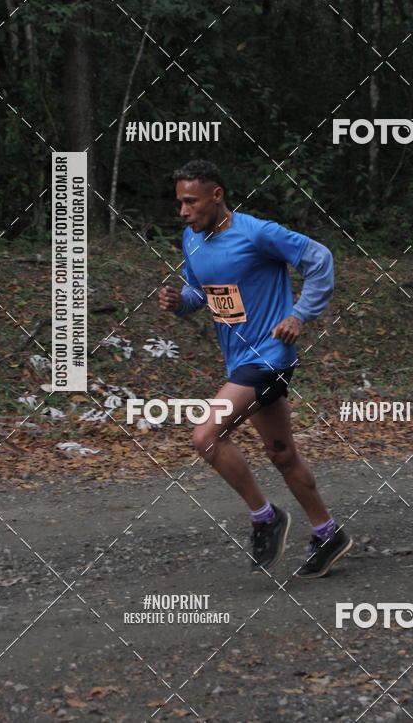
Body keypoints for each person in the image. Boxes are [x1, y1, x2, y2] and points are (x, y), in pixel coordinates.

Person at [158, 160, 352, 578]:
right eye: (180, 203)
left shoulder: (257, 233)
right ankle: (328, 532)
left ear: (217, 195)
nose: (184, 211)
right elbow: (200, 292)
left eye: (191, 202)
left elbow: (319, 259)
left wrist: (300, 315)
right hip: (240, 359)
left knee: (206, 436)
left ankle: (265, 517)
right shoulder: (191, 241)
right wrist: (181, 303)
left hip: (269, 356)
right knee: (281, 453)